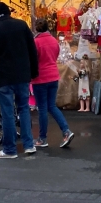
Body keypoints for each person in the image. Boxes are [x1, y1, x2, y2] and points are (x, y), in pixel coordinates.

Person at [0, 1, 39, 159]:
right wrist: (34, 72)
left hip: (4, 78)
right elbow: (32, 50)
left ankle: (10, 149)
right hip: (22, 75)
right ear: (9, 12)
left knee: (7, 113)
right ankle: (29, 145)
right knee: (24, 109)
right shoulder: (22, 26)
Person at [31, 18, 74, 148]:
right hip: (53, 76)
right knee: (52, 106)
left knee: (42, 108)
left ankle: (42, 138)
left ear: (36, 28)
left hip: (40, 78)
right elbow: (55, 56)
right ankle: (66, 130)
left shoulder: (35, 42)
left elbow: (33, 60)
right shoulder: (54, 41)